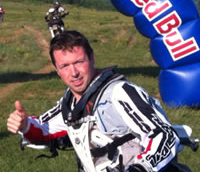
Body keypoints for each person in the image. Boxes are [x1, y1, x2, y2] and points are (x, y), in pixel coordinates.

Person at [7, 30, 180, 172]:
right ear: (57, 70)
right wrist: (25, 125)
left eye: (79, 62)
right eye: (65, 66)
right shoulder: (69, 104)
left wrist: (141, 168)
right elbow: (45, 128)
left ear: (91, 58)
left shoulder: (119, 92)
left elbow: (165, 135)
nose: (74, 73)